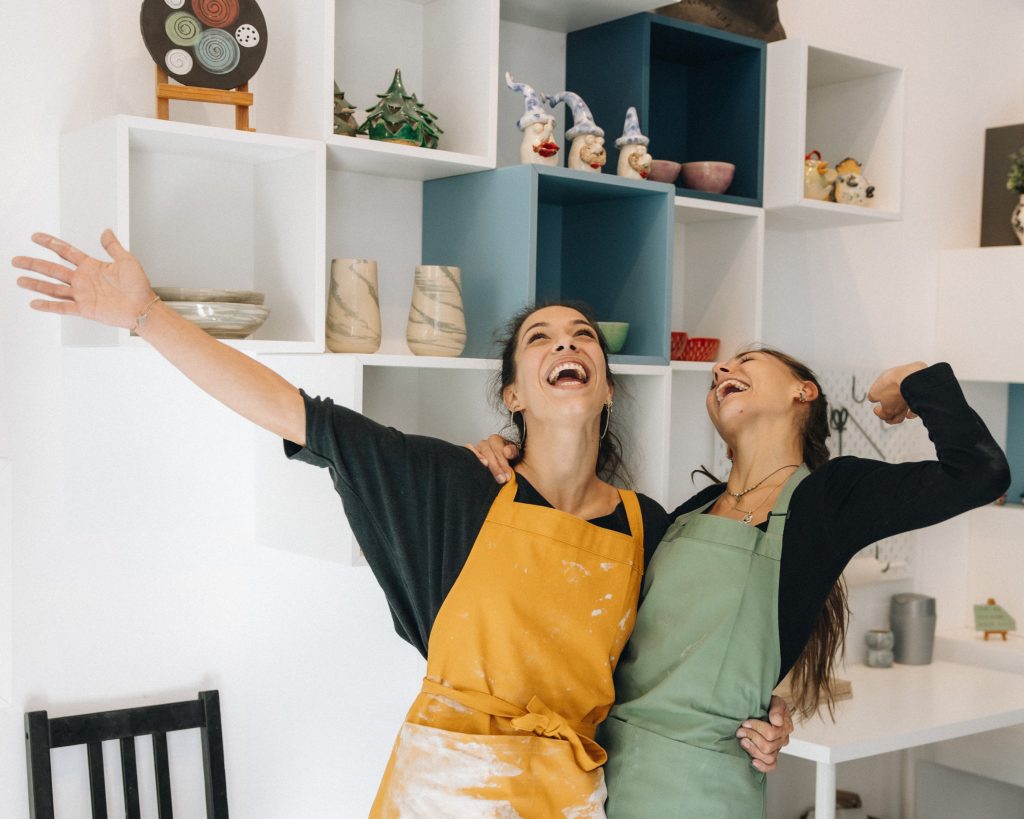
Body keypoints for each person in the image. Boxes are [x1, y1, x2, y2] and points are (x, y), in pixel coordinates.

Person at [13, 231, 792, 817]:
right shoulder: (446, 484)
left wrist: (770, 714)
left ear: (608, 386)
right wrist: (145, 316)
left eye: (582, 334)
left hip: (571, 799)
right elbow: (290, 410)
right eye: (541, 338)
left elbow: (699, 644)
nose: (566, 342)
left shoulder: (646, 526)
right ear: (514, 394)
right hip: (444, 794)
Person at [475, 346, 1010, 818]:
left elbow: (980, 472)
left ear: (804, 392)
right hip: (598, 773)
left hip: (700, 787)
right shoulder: (677, 516)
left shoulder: (830, 499)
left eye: (746, 361)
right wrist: (502, 457)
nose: (721, 369)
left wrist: (916, 380)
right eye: (717, 376)